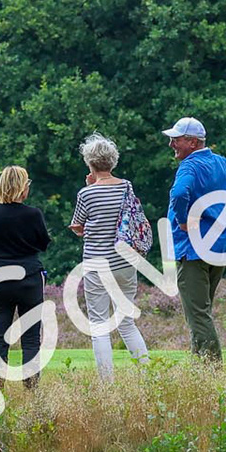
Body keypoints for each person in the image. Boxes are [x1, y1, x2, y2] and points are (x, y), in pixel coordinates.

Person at [163, 117, 226, 363]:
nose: (172, 143)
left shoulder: (189, 167)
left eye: (177, 139)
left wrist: (182, 220)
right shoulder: (222, 163)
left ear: (192, 142)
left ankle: (211, 371)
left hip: (192, 250)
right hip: (218, 250)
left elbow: (180, 193)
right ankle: (198, 369)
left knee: (198, 316)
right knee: (202, 312)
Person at [69, 134, 150, 380]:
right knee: (126, 322)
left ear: (89, 163)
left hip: (97, 264)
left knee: (99, 325)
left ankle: (107, 385)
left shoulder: (86, 194)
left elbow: (77, 226)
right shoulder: (127, 186)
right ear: (112, 161)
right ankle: (149, 376)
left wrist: (91, 184)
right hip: (125, 262)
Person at [0, 165, 49, 387]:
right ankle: (32, 391)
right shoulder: (33, 214)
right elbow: (43, 243)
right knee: (31, 338)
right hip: (28, 278)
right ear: (22, 188)